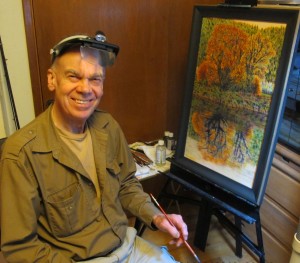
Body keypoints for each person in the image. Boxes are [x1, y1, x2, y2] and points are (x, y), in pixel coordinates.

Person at [0, 31, 188, 262]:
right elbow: (19, 250)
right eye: (73, 76)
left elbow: (126, 184)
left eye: (95, 78)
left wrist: (157, 217)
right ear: (52, 79)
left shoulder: (107, 126)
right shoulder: (20, 153)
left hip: (126, 245)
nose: (85, 88)